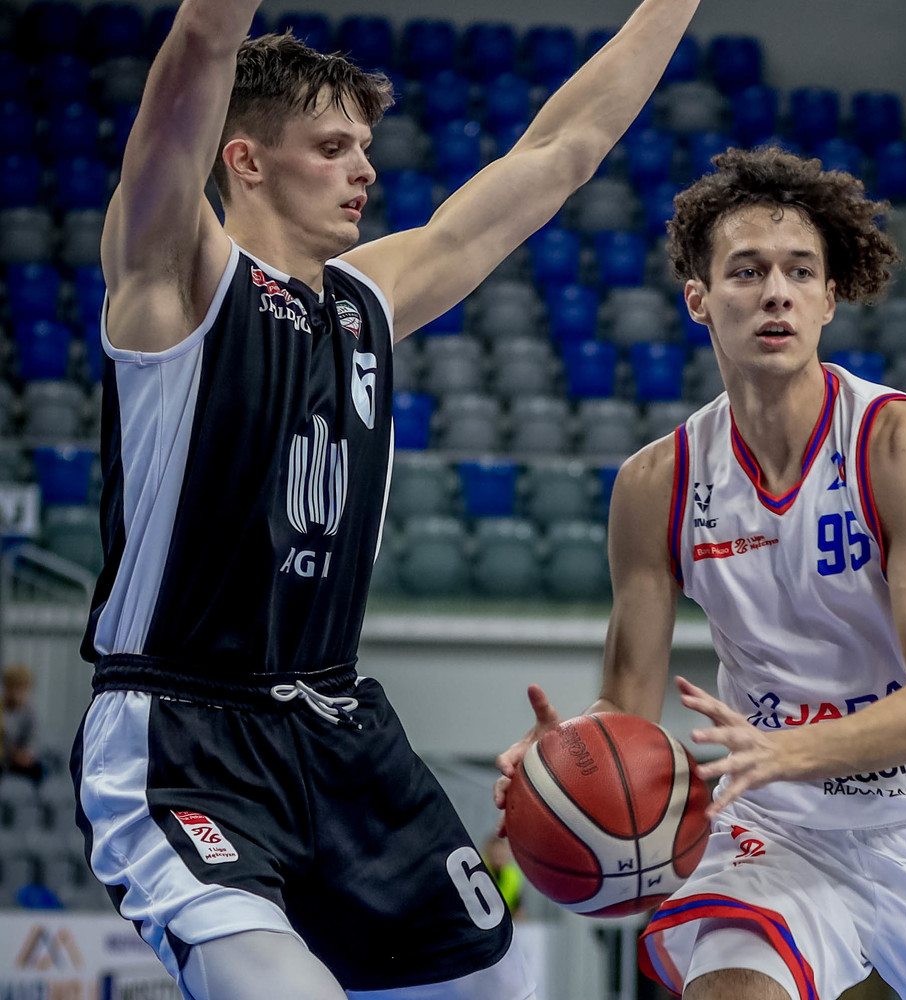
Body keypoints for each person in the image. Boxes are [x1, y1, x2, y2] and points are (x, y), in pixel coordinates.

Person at [68, 2, 697, 998]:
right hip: (182, 731)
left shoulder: (369, 299)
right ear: (244, 160)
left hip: (337, 724)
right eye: (332, 147)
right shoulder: (176, 275)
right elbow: (200, 47)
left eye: (364, 146)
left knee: (499, 988)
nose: (364, 169)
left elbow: (562, 150)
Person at [496, 147, 906, 1000]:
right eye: (747, 271)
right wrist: (562, 762)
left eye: (799, 271)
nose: (776, 291)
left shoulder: (903, 446)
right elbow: (626, 705)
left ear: (828, 298)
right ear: (698, 298)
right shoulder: (656, 485)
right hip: (780, 828)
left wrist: (783, 749)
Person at [1, 663, 42, 782]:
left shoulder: (30, 712)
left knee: (39, 769)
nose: (16, 693)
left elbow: (34, 738)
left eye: (21, 688)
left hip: (21, 758)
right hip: (5, 757)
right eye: (12, 687)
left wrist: (26, 754)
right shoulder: (2, 709)